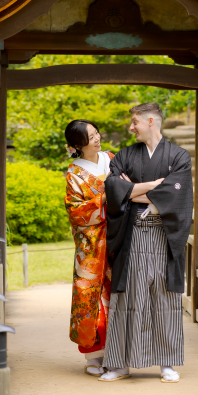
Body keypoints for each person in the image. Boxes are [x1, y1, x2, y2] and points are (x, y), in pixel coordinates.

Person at [100, 103, 193, 383]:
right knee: (128, 298)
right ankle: (119, 363)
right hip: (132, 236)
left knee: (164, 298)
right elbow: (112, 190)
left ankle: (167, 362)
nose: (131, 127)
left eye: (134, 122)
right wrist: (155, 186)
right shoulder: (126, 155)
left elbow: (177, 195)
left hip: (164, 237)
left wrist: (132, 191)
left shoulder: (179, 156)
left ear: (150, 121)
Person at [64, 119, 114, 377]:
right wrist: (104, 197)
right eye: (90, 137)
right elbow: (75, 212)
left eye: (97, 133)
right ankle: (93, 356)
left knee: (118, 294)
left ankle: (118, 352)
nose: (97, 139)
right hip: (91, 245)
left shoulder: (112, 159)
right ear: (77, 145)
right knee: (90, 298)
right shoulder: (74, 174)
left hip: (118, 238)